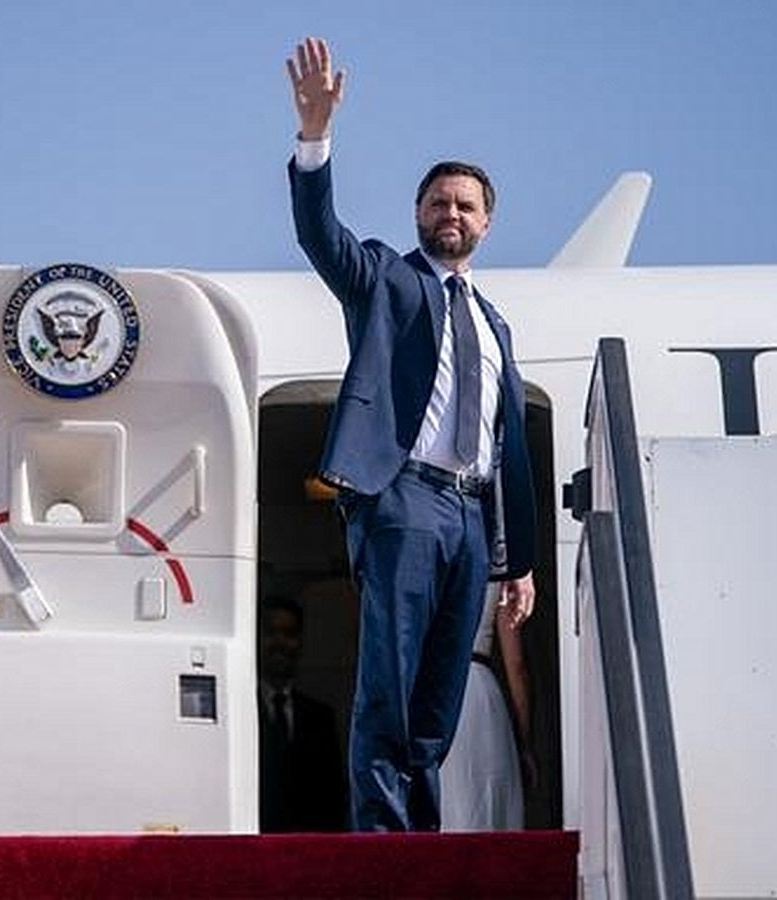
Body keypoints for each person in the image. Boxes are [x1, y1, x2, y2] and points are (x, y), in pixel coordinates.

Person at [285, 36, 537, 832]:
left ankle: (419, 843)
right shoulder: (385, 280)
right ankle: (382, 844)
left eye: (465, 206)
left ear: (486, 223)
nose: (450, 214)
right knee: (390, 681)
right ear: (418, 215)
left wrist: (517, 560)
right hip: (406, 500)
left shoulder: (495, 326)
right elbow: (320, 234)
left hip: (470, 517)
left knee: (438, 699)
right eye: (437, 203)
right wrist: (315, 137)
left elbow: (505, 448)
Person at [439, 586, 537, 831]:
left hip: (437, 692)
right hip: (480, 695)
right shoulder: (500, 569)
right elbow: (516, 666)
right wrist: (525, 745)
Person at [258, 594, 348, 832]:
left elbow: (333, 798)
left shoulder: (320, 718)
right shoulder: (241, 712)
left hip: (308, 845)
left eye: (289, 634)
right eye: (270, 632)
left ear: (300, 642)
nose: (280, 642)